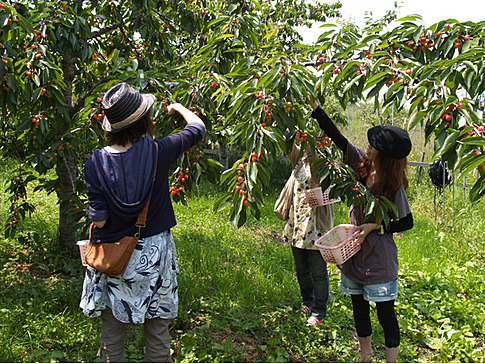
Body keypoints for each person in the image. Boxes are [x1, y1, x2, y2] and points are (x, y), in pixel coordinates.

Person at [80, 82, 205, 362]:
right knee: (158, 332)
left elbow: (98, 221)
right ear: (145, 121)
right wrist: (179, 108)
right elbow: (197, 129)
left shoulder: (95, 162)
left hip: (115, 258)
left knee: (112, 334)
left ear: (111, 126)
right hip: (155, 256)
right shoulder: (159, 152)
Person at [308, 95, 413, 362]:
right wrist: (317, 110)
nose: (367, 146)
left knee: (386, 314)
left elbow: (406, 222)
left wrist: (374, 227)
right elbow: (339, 139)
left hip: (379, 261)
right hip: (353, 254)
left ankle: (390, 360)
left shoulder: (393, 185)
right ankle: (365, 355)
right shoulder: (361, 167)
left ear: (385, 154)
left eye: (373, 145)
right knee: (359, 307)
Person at [282, 142, 334, 326]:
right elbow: (286, 143)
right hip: (297, 223)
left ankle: (320, 310)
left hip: (316, 225)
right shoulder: (299, 160)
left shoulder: (327, 165)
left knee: (318, 271)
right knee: (301, 269)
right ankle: (308, 301)